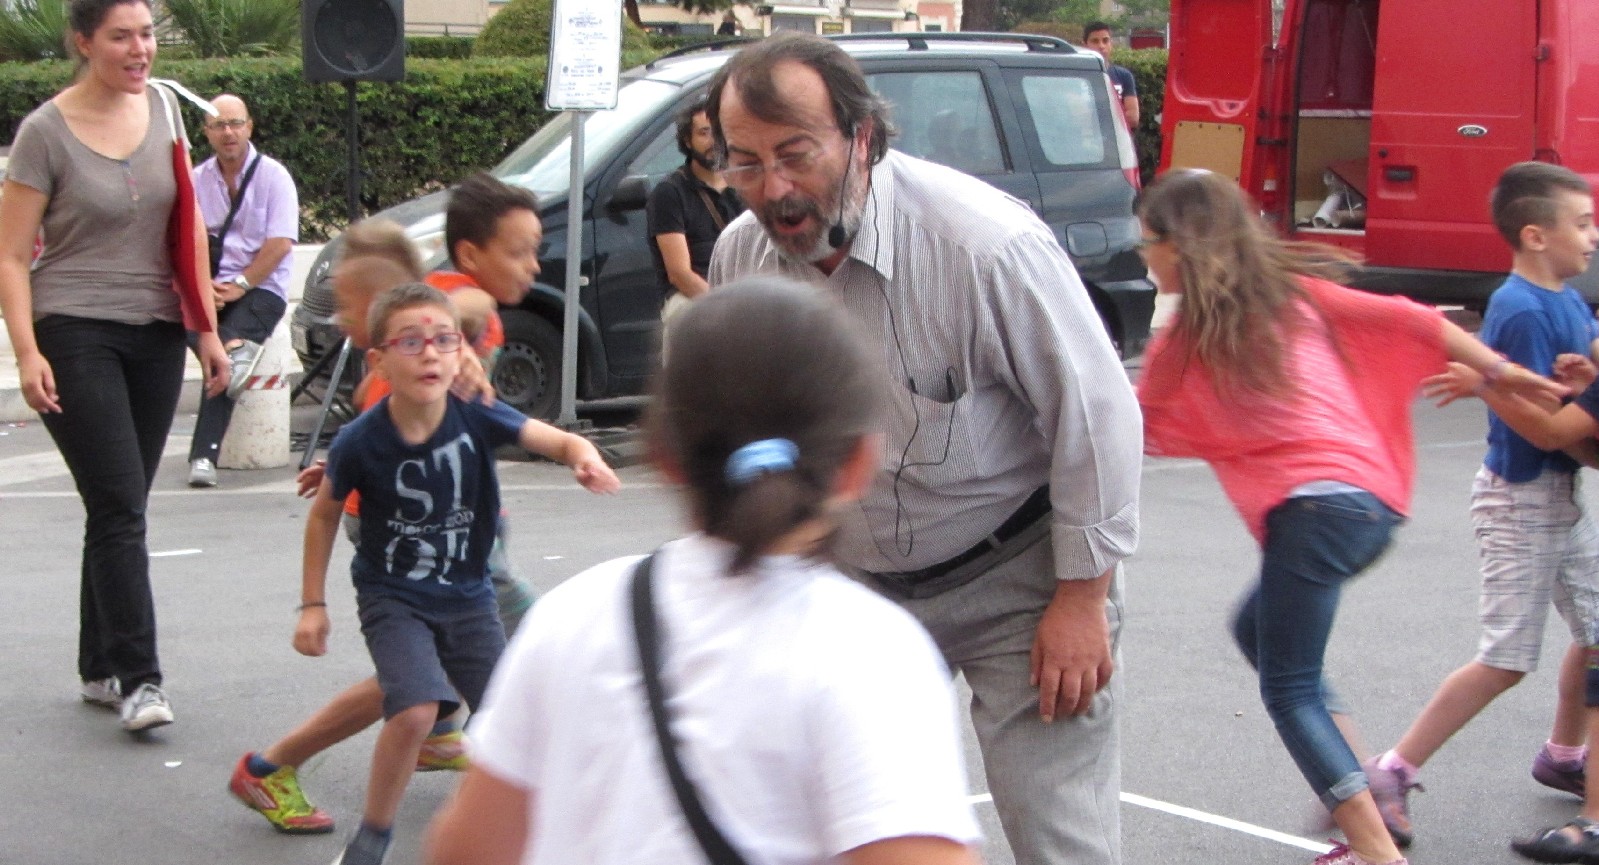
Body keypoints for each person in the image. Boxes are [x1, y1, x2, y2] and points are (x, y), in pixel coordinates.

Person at [704, 33, 1141, 865]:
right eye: (746, 163)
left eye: (795, 154)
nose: (775, 189)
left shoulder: (982, 246)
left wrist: (1082, 599)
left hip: (1019, 579)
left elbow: (1097, 415)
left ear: (862, 137)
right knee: (839, 831)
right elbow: (745, 426)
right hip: (856, 586)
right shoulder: (741, 258)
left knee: (1059, 838)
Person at [423, 278, 981, 865]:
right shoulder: (872, 654)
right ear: (860, 463)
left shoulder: (571, 617)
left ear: (663, 455)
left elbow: (467, 850)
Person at [1133, 168, 1567, 865]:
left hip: (1312, 514)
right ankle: (1362, 777)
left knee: (1287, 683)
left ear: (1178, 248)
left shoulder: (1180, 342)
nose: (1143, 256)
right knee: (1257, 629)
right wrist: (1495, 369)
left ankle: (1372, 846)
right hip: (1370, 504)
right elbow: (1414, 318)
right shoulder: (1296, 295)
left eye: (1146, 242)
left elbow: (1126, 426)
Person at [297, 283, 619, 865]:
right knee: (418, 708)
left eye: (444, 341)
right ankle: (373, 835)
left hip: (469, 597)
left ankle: (531, 837)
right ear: (379, 362)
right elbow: (322, 515)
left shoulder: (475, 412)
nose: (430, 354)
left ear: (460, 353)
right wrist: (312, 605)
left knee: (503, 721)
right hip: (394, 596)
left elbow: (550, 436)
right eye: (411, 342)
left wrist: (582, 456)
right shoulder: (359, 441)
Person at [229, 223, 529, 836]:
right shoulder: (393, 367)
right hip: (413, 542)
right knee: (429, 672)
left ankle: (435, 731)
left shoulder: (429, 335)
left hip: (456, 539)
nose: (341, 320)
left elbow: (468, 304)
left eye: (349, 305)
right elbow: (371, 447)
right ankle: (275, 763)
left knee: (423, 676)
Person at [0, 0, 228, 734]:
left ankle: (99, 663)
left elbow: (187, 222)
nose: (141, 50)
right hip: (73, 327)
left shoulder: (162, 109)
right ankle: (141, 678)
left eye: (147, 35)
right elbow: (10, 254)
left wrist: (207, 331)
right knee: (122, 503)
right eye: (122, 37)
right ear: (83, 42)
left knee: (118, 506)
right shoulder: (44, 132)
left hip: (156, 331)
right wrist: (27, 348)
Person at [1363, 161, 1599, 849]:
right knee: (1505, 657)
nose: (1592, 236)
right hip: (1520, 496)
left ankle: (1562, 752)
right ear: (1534, 234)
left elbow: (1563, 402)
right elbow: (1539, 423)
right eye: (1580, 223)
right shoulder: (1520, 307)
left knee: (1594, 630)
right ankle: (1391, 768)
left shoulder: (1568, 301)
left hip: (1558, 491)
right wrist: (1486, 387)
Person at [187, 92, 299, 488]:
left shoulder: (274, 177)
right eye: (219, 125)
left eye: (235, 123)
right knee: (181, 328)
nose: (228, 132)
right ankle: (233, 354)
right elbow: (186, 241)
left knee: (226, 354)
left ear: (249, 127)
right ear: (207, 133)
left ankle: (203, 456)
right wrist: (205, 289)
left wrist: (240, 285)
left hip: (261, 288)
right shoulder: (197, 180)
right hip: (209, 284)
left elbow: (281, 243)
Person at [646, 98, 744, 333]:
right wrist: (725, 307)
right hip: (691, 298)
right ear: (687, 141)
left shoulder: (743, 184)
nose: (714, 142)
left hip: (742, 292)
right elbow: (679, 274)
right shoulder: (669, 193)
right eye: (704, 133)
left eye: (719, 133)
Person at [1083, 22, 1140, 128]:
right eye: (1095, 41)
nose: (1101, 46)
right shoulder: (1077, 76)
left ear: (1111, 43)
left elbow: (1133, 118)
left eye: (1105, 41)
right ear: (1085, 45)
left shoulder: (1124, 76)